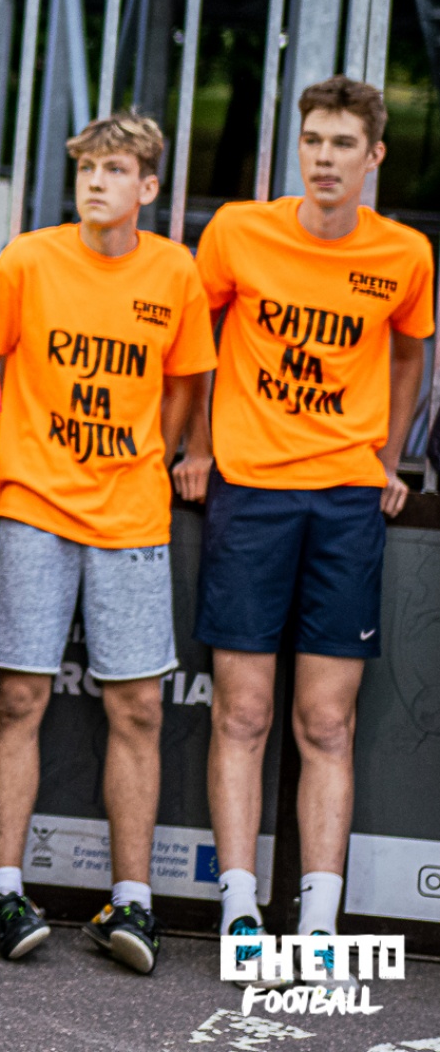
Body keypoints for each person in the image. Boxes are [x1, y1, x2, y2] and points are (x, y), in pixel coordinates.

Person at [172, 77, 433, 972]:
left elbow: (409, 355)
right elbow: (194, 342)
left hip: (345, 501)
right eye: (312, 141)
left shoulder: (404, 253)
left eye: (341, 144)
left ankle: (318, 927)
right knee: (242, 712)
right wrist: (198, 445)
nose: (323, 158)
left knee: (324, 721)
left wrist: (386, 458)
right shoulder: (238, 231)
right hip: (249, 492)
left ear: (373, 156)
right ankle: (239, 910)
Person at [0, 113, 214, 973]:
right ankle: (4, 891)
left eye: (114, 170)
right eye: (85, 169)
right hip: (32, 505)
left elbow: (184, 382)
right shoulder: (28, 260)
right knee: (17, 699)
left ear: (147, 187)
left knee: (138, 709)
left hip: (132, 514)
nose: (95, 183)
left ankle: (132, 901)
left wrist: (163, 456)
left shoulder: (174, 271)